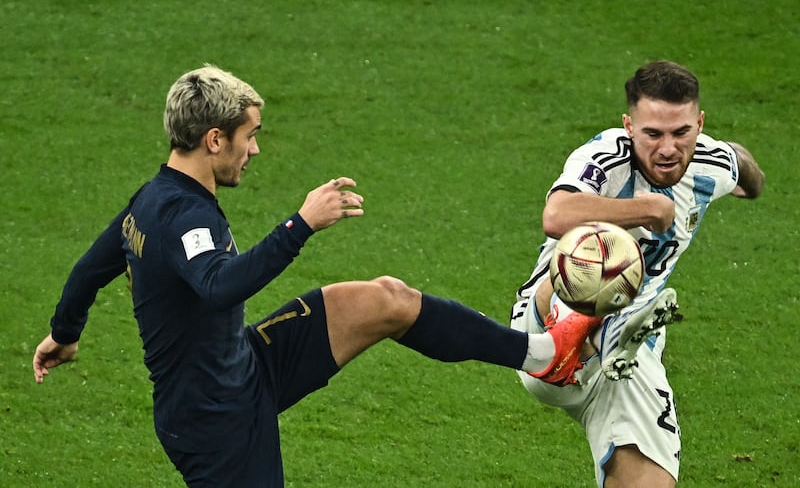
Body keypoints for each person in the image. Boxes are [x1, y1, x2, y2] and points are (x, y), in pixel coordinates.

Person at [33, 64, 594, 487]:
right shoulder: (184, 215)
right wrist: (299, 224)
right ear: (213, 140)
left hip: (241, 365)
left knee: (387, 300)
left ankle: (544, 356)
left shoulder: (151, 199)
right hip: (214, 420)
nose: (254, 149)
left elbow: (91, 266)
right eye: (248, 135)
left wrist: (64, 332)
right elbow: (218, 284)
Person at [509, 60, 765, 487]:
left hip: (627, 363)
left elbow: (744, 172)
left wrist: (744, 168)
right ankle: (596, 328)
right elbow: (556, 215)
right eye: (653, 134)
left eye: (682, 133)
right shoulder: (606, 156)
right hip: (544, 333)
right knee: (595, 256)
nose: (668, 148)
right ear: (629, 126)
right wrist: (649, 208)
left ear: (699, 123)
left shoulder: (711, 162)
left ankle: (624, 331)